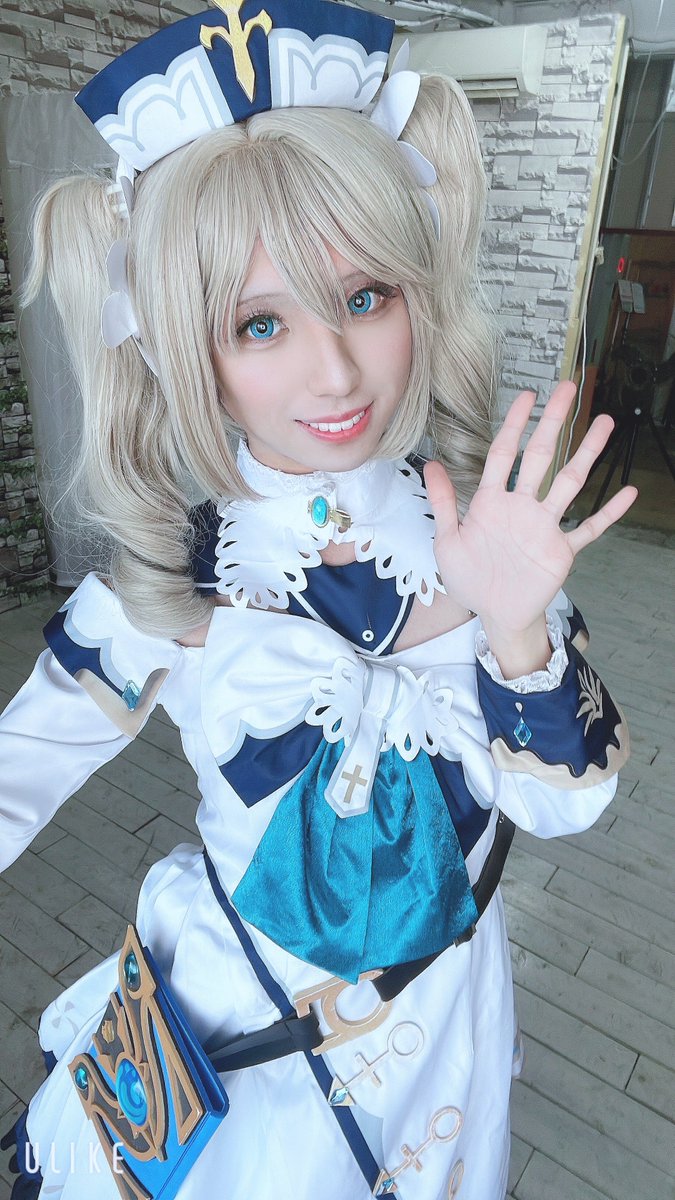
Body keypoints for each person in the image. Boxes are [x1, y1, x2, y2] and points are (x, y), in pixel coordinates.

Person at [0, 2, 635, 1198]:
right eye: (259, 323)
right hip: (233, 1033)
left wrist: (516, 629)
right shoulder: (172, 576)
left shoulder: (481, 534)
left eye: (366, 296)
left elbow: (568, 808)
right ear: (178, 346)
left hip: (443, 1019)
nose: (335, 372)